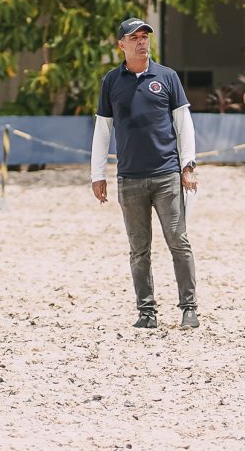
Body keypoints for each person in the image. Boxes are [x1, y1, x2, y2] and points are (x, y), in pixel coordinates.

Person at [91, 17, 200, 330]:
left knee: (178, 241)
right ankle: (147, 312)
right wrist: (97, 173)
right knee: (139, 250)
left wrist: (188, 166)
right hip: (129, 179)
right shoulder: (111, 82)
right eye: (133, 37)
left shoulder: (167, 77)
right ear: (121, 45)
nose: (141, 42)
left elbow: (184, 124)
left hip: (167, 175)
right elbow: (103, 129)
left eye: (144, 36)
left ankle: (189, 307)